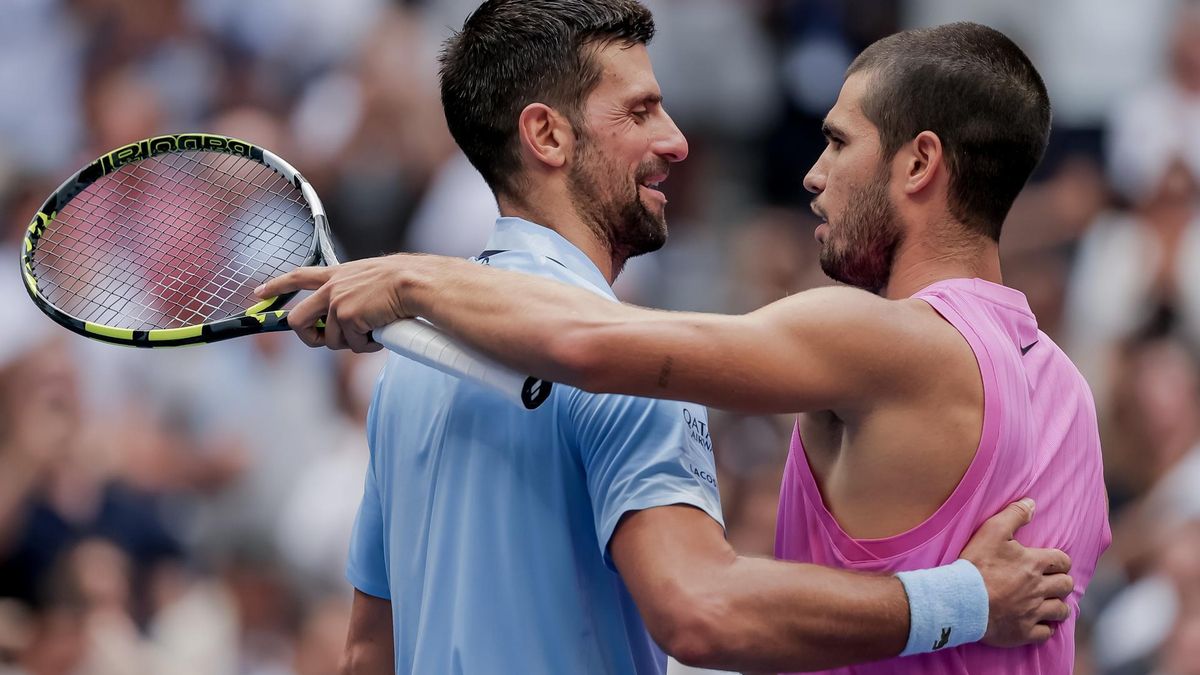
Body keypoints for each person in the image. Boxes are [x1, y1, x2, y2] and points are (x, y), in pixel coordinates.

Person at [261, 5, 1075, 673]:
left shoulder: (407, 367)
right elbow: (702, 607)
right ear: (547, 136)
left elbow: (369, 653)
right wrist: (966, 599)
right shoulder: (627, 367)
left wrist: (414, 279)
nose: (678, 140)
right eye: (642, 110)